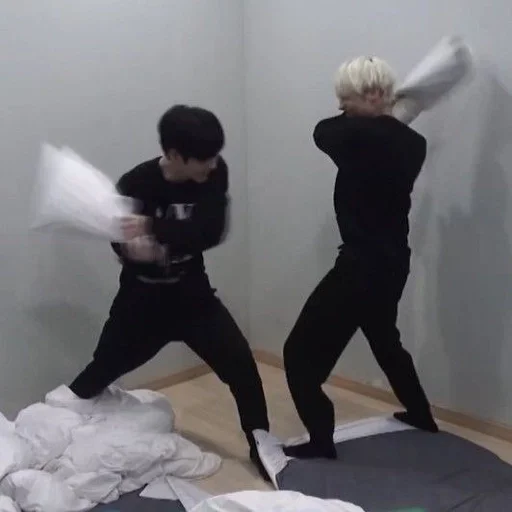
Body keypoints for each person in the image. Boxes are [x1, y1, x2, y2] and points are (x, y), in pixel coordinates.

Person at [70, 105, 270, 478]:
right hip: (141, 300)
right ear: (175, 155)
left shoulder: (214, 173)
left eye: (215, 156)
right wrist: (132, 251)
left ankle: (264, 448)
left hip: (194, 296)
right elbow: (118, 239)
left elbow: (210, 231)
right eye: (204, 159)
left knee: (242, 367)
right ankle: (59, 437)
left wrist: (151, 228)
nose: (213, 165)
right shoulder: (135, 184)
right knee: (97, 374)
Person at [283, 57, 439, 460]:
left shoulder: (355, 137)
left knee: (298, 355)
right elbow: (373, 133)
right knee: (385, 340)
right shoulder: (414, 144)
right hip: (393, 264)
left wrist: (388, 114)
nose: (341, 107)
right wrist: (395, 114)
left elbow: (322, 131)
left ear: (372, 95)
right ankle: (421, 415)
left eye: (346, 99)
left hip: (360, 267)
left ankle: (321, 442)